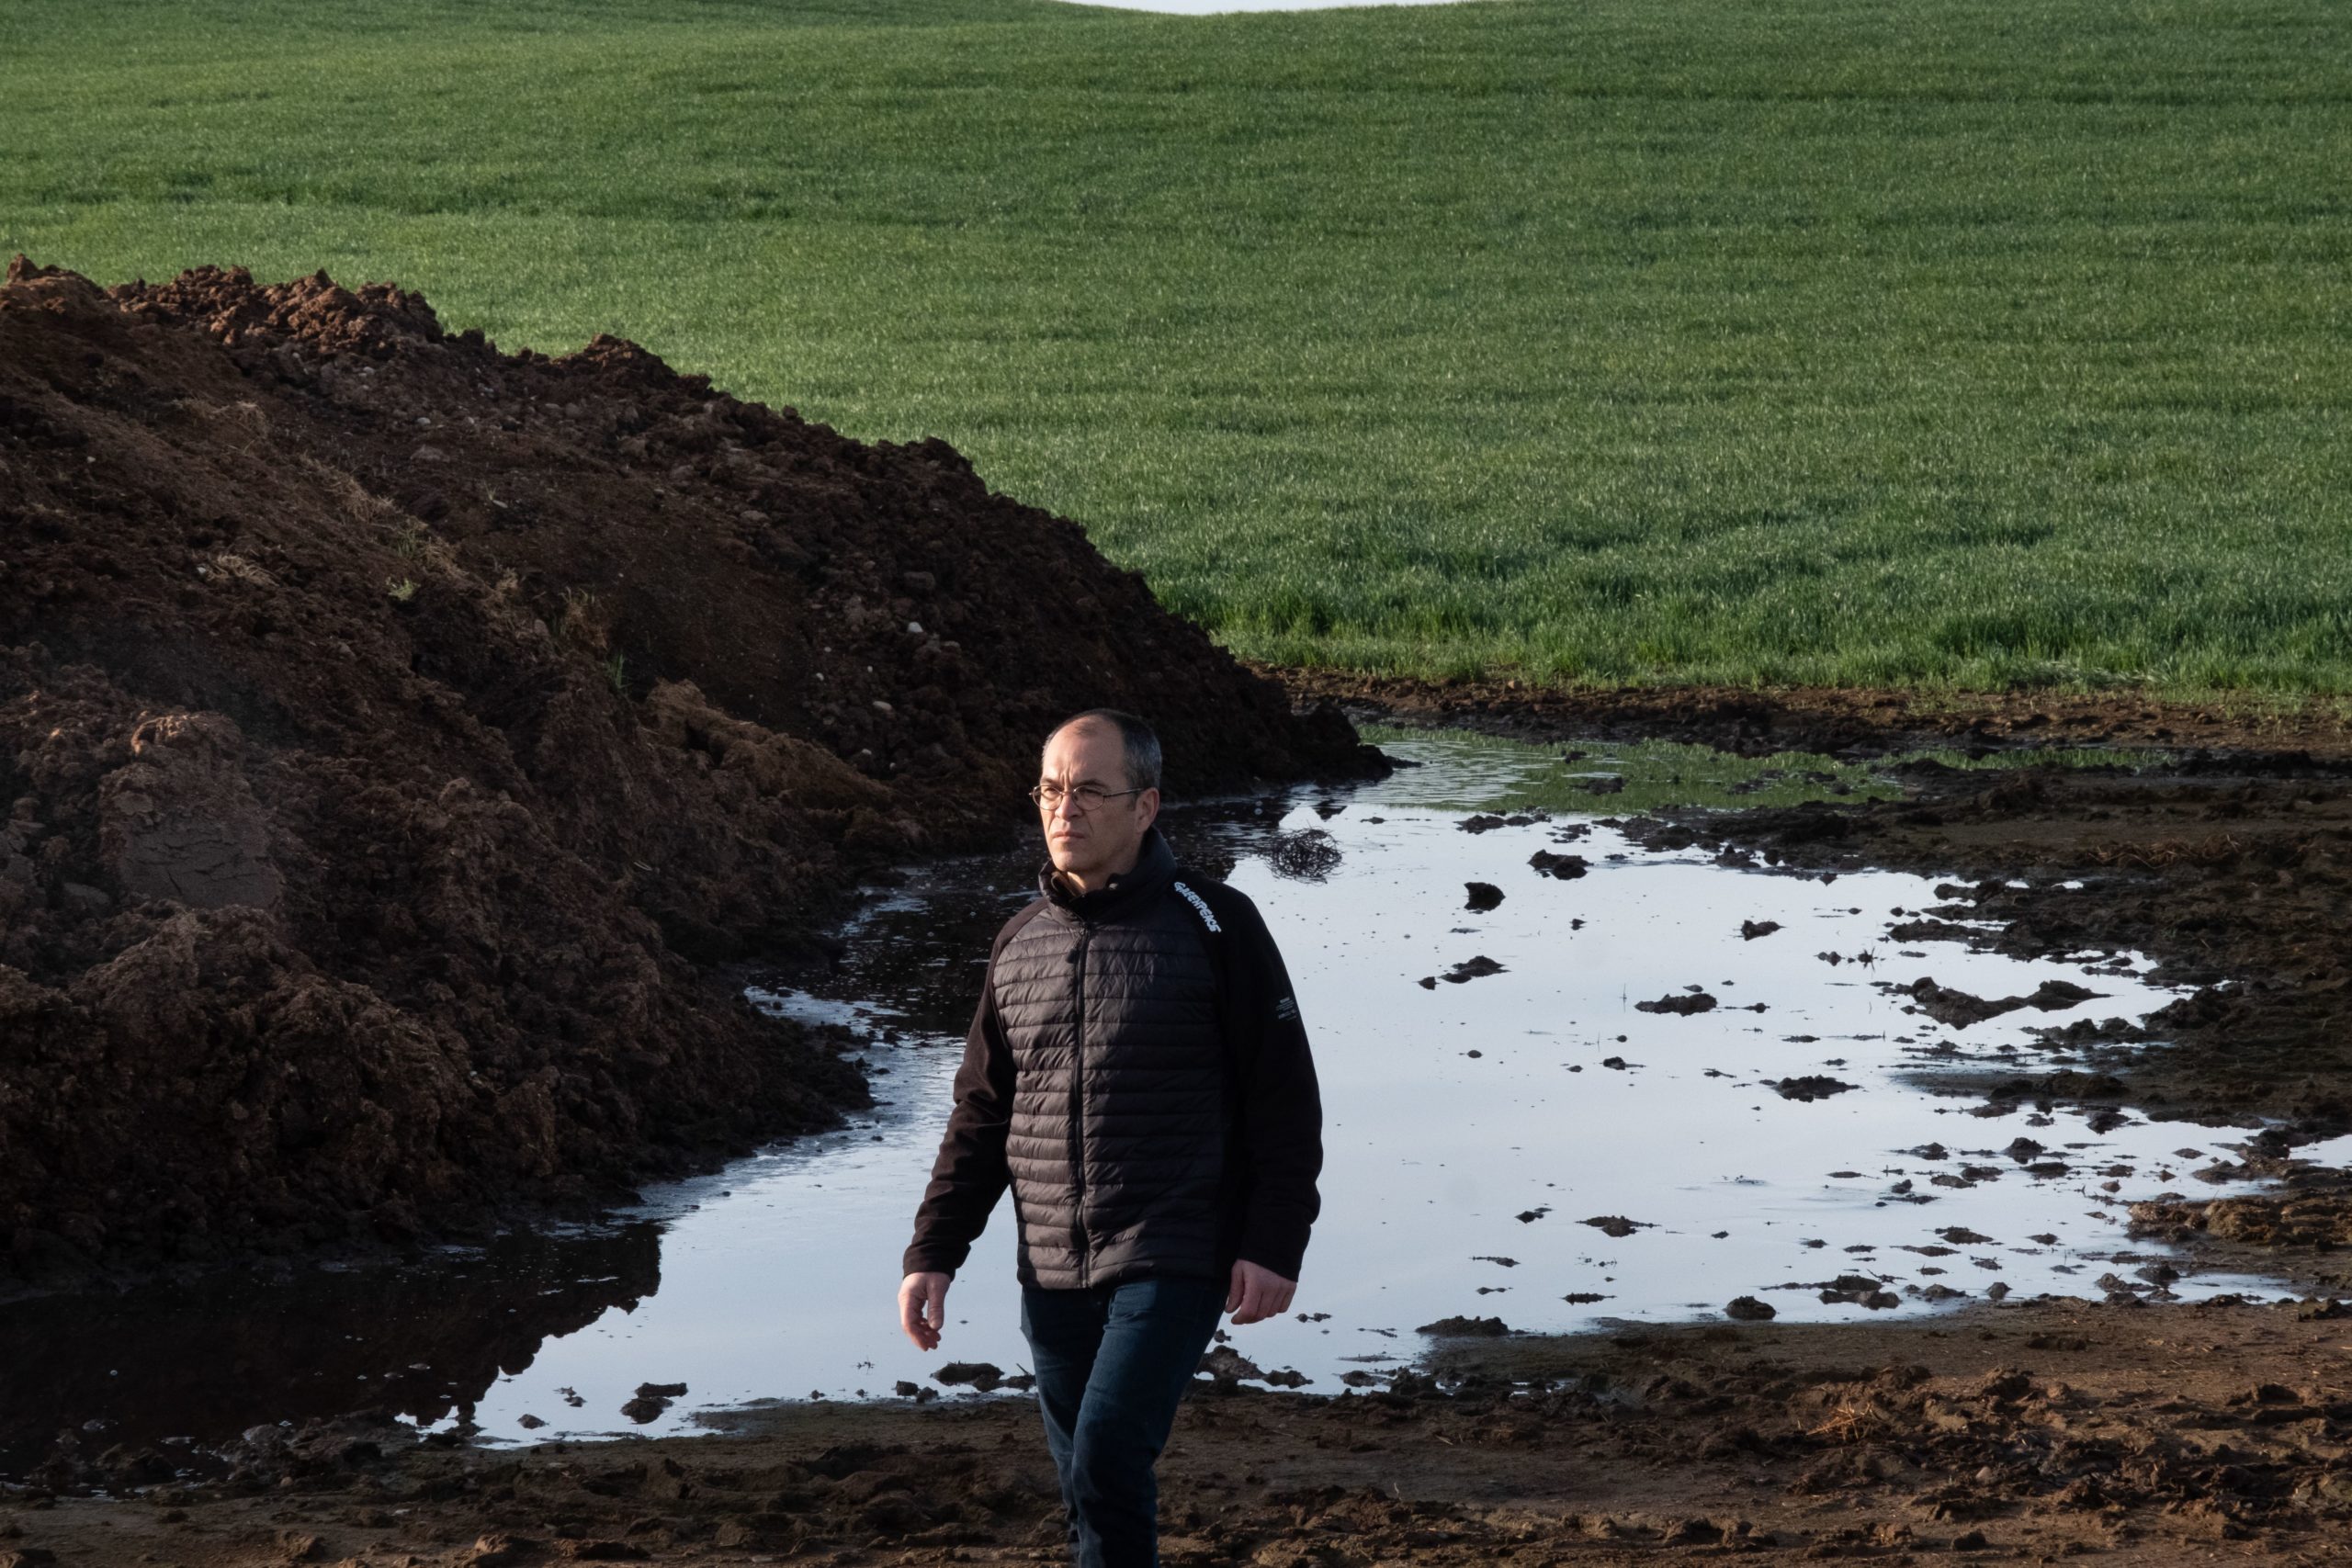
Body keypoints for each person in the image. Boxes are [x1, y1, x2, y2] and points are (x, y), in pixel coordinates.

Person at [898, 707, 1323, 1568]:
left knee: (1106, 1457)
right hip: (1050, 1264)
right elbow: (982, 1115)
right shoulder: (1018, 942)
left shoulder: (1218, 924)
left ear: (1147, 804)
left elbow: (1285, 1101)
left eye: (1091, 789)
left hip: (1175, 1250)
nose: (1066, 808)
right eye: (1052, 789)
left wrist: (1274, 1241)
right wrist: (933, 1250)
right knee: (1090, 1490)